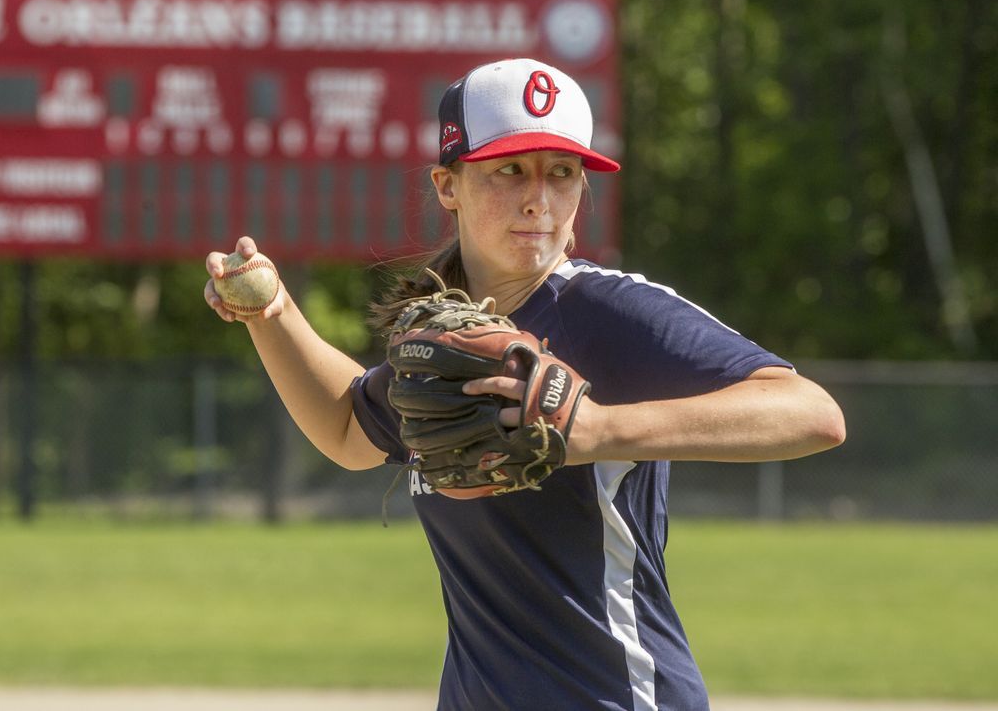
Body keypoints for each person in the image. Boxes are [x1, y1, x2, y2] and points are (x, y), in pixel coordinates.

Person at [205, 58, 846, 711]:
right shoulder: (450, 340)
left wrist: (598, 429)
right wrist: (273, 313)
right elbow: (348, 429)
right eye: (509, 169)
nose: (539, 197)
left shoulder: (606, 311)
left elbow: (810, 412)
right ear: (447, 184)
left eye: (562, 172)